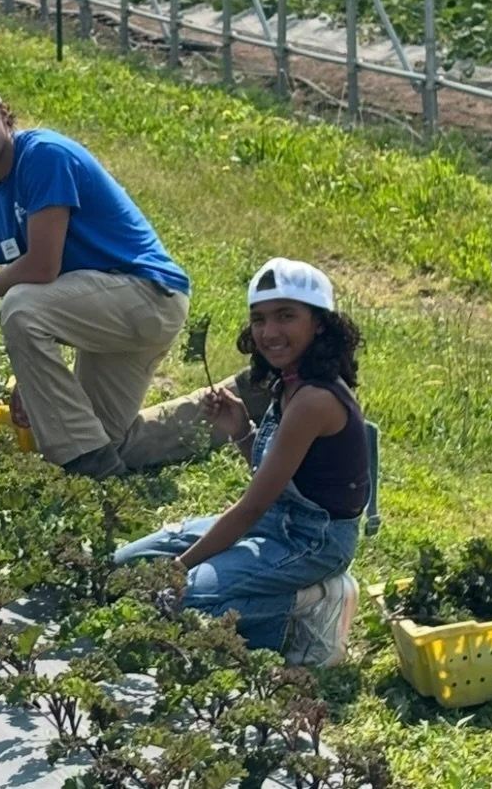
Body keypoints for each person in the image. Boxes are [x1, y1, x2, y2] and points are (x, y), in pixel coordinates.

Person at [114, 258, 367, 667]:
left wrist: (178, 568)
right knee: (124, 570)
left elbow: (253, 505)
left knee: (176, 602)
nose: (269, 332)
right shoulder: (289, 382)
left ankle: (310, 602)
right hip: (276, 523)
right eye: (259, 319)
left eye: (286, 316)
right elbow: (282, 481)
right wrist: (241, 430)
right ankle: (253, 587)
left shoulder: (314, 400)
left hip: (312, 541)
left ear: (319, 323)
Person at [0, 77, 190, 479]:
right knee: (103, 435)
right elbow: (42, 288)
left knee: (17, 306)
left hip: (147, 294)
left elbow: (41, 268)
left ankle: (89, 471)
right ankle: (228, 413)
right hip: (107, 309)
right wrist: (34, 382)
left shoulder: (43, 155)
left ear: (3, 115)